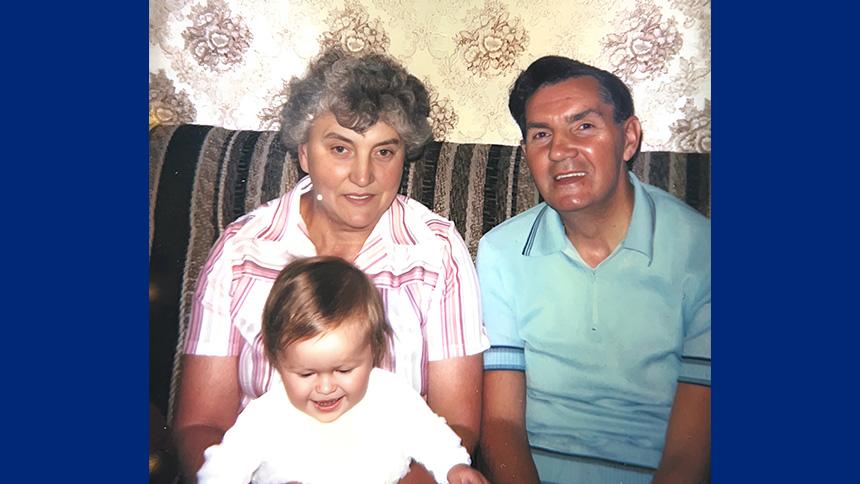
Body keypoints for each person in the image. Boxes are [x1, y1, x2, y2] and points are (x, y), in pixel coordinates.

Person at [174, 48, 489, 483]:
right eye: (340, 148)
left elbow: (457, 423)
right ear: (304, 152)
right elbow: (199, 424)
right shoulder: (241, 250)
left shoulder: (437, 252)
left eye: (384, 151)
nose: (363, 175)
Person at [477, 55, 711, 484]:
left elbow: (691, 450)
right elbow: (501, 424)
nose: (560, 150)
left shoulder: (704, 251)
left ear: (628, 138)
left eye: (583, 126)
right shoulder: (500, 252)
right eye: (541, 134)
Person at [196, 257, 489, 484]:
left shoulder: (392, 396)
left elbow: (431, 435)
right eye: (306, 374)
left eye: (344, 370)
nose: (325, 387)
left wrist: (455, 465)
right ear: (277, 360)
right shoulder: (266, 415)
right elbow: (222, 469)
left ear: (373, 350)